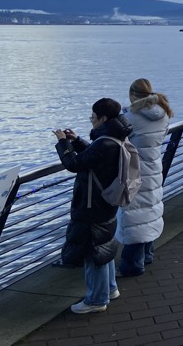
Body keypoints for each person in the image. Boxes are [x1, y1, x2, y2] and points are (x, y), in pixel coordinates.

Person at [53, 97, 131, 314]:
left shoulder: (105, 142)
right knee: (104, 246)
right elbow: (94, 155)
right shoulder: (116, 137)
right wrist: (77, 141)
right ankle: (110, 288)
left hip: (92, 204)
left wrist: (63, 143)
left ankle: (97, 300)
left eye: (93, 117)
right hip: (106, 202)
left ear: (103, 118)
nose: (91, 120)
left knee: (93, 252)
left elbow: (74, 164)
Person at [116, 78, 172, 277]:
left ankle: (132, 264)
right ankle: (147, 254)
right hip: (154, 167)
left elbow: (118, 138)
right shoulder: (163, 112)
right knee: (149, 210)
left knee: (134, 215)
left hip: (136, 170)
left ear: (133, 95)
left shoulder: (131, 117)